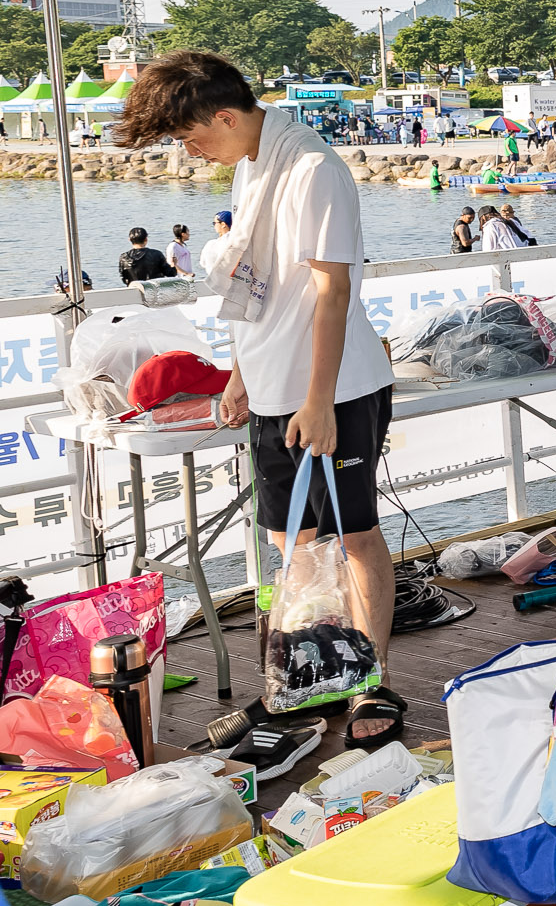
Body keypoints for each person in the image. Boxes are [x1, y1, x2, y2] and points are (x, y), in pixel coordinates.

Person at [111, 51, 403, 744]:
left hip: (337, 388)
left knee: (356, 535)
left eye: (190, 136)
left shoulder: (313, 169)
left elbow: (333, 291)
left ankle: (372, 682)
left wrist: (321, 400)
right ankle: (311, 675)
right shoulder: (249, 166)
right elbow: (252, 285)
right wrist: (241, 374)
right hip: (274, 389)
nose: (190, 151)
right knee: (291, 543)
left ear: (226, 114)